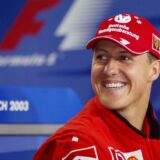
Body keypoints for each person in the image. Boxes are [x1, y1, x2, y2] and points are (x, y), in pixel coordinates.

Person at [33, 13, 160, 160]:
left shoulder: (151, 133)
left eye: (124, 57)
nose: (109, 69)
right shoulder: (79, 147)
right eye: (102, 57)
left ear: (154, 71)